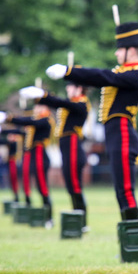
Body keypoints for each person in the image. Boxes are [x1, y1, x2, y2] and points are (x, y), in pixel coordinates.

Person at [46, 22, 138, 221]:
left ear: (131, 50)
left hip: (123, 133)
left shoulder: (134, 75)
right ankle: (130, 244)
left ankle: (135, 244)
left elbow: (102, 76)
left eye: (119, 49)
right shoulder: (126, 73)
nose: (116, 54)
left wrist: (69, 71)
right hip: (116, 134)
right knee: (120, 191)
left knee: (125, 191)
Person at [19, 82, 91, 228]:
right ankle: (77, 218)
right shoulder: (72, 103)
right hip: (66, 148)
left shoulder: (81, 104)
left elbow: (61, 103)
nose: (67, 89)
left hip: (73, 148)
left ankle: (82, 221)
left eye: (70, 86)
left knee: (75, 187)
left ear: (79, 87)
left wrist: (43, 96)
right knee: (71, 187)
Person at [0, 103, 55, 227]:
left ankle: (49, 217)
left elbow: (32, 122)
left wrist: (9, 118)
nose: (36, 109)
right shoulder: (35, 121)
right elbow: (19, 129)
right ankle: (38, 213)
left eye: (39, 107)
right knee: (35, 186)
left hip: (41, 156)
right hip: (33, 156)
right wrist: (2, 130)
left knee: (43, 188)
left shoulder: (46, 120)